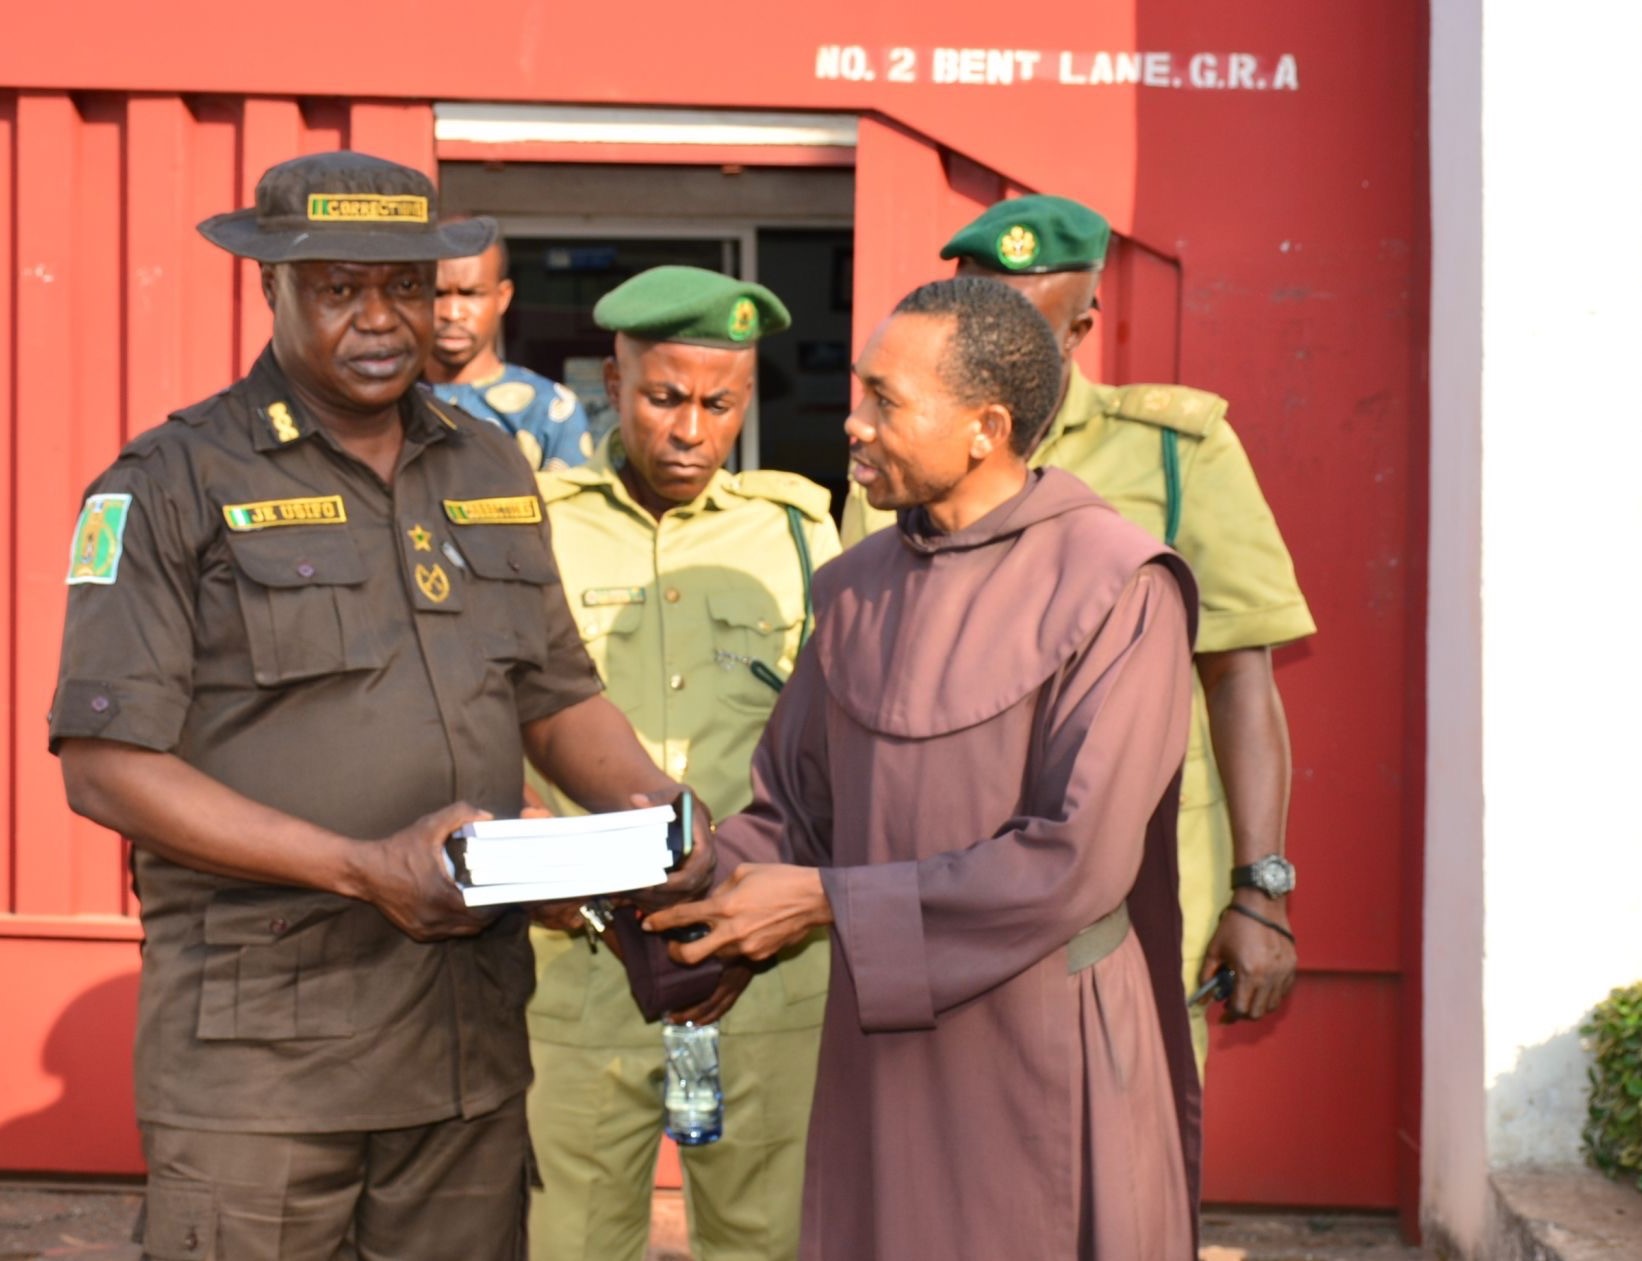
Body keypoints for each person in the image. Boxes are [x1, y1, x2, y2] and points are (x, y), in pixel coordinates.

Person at [48, 151, 709, 1261]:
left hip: (464, 1051)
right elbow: (105, 762)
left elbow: (554, 690)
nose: (379, 319)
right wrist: (361, 866)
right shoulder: (169, 481)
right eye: (338, 288)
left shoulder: (489, 462)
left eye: (404, 286)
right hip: (260, 1069)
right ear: (273, 291)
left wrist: (658, 815)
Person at [649, 276, 1202, 1260]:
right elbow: (792, 810)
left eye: (884, 402)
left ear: (986, 426)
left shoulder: (1118, 583)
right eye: (858, 394)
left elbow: (1074, 860)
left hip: (1042, 1041)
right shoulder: (855, 586)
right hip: (886, 1045)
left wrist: (826, 903)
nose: (852, 424)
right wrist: (667, 896)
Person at [841, 194, 1316, 1069]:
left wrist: (1262, 890)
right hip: (933, 885)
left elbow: (1241, 678)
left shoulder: (1176, 450)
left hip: (1125, 897)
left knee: (1118, 1168)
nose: (995, 340)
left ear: (1084, 321)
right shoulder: (899, 452)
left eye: (1026, 317)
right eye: (975, 307)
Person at [526, 265, 839, 1261]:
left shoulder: (798, 530)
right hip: (576, 969)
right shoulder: (531, 526)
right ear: (610, 387)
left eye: (721, 404)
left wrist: (767, 914)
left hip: (763, 970)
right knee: (566, 1239)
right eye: (664, 398)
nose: (692, 431)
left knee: (766, 1240)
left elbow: (835, 748)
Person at [425, 233, 593, 472]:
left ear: (502, 297)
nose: (452, 313)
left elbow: (568, 507)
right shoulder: (388, 402)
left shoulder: (548, 409)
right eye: (437, 294)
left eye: (471, 293)